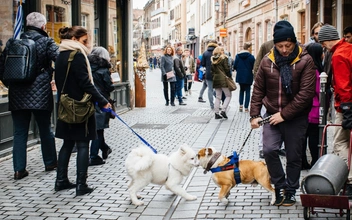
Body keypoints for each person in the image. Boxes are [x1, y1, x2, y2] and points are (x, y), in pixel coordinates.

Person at [250, 20, 316, 206]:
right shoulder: (267, 60)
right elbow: (258, 90)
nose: (285, 50)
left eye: (288, 45)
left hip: (296, 117)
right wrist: (255, 115)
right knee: (269, 150)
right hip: (271, 115)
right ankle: (279, 184)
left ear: (294, 42)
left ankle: (291, 189)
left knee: (294, 156)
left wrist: (284, 115)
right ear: (274, 44)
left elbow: (306, 94)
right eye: (280, 46)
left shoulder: (305, 60)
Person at [0, 12, 58, 180]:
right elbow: (60, 59)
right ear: (43, 26)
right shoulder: (46, 41)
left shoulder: (13, 43)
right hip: (41, 93)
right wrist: (50, 74)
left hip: (17, 94)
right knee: (45, 129)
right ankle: (50, 163)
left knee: (19, 132)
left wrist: (11, 85)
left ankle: (19, 170)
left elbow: (2, 68)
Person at [54, 26, 111, 196]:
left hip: (65, 105)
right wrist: (103, 101)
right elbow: (86, 83)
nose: (87, 44)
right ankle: (81, 184)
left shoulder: (61, 55)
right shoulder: (77, 55)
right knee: (83, 144)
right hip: (80, 106)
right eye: (85, 41)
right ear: (75, 40)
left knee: (67, 143)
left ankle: (61, 180)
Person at [318, 24, 352, 196]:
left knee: (340, 142)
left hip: (346, 105)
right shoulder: (350, 48)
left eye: (323, 42)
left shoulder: (338, 55)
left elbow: (343, 85)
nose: (322, 46)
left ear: (329, 40)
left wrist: (346, 109)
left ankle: (350, 180)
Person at [88, 46, 114, 166]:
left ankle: (105, 148)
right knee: (99, 130)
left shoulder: (88, 68)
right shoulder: (104, 70)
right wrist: (112, 83)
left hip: (89, 100)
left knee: (97, 128)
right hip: (101, 101)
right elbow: (109, 87)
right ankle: (93, 156)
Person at [302, 43, 324, 169]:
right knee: (314, 137)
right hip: (314, 108)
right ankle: (315, 162)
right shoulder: (316, 71)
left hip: (305, 109)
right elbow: (317, 91)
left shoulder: (305, 68)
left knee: (304, 137)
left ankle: (303, 161)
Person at [233, 42, 255, 113]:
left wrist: (239, 70)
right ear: (248, 48)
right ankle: (246, 108)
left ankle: (240, 105)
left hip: (240, 76)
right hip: (248, 75)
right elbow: (253, 66)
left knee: (241, 90)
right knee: (248, 91)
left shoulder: (237, 56)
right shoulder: (251, 57)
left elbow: (235, 66)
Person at [211, 46, 232, 119]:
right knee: (228, 95)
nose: (223, 51)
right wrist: (229, 77)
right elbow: (227, 69)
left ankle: (216, 113)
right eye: (222, 50)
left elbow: (212, 71)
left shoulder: (213, 59)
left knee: (218, 96)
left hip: (216, 79)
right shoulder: (224, 58)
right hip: (223, 79)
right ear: (220, 51)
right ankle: (223, 110)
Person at [201, 40, 218, 109]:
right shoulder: (217, 53)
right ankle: (218, 103)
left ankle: (212, 105)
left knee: (210, 89)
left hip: (208, 73)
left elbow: (202, 64)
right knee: (218, 89)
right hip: (217, 73)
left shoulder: (205, 53)